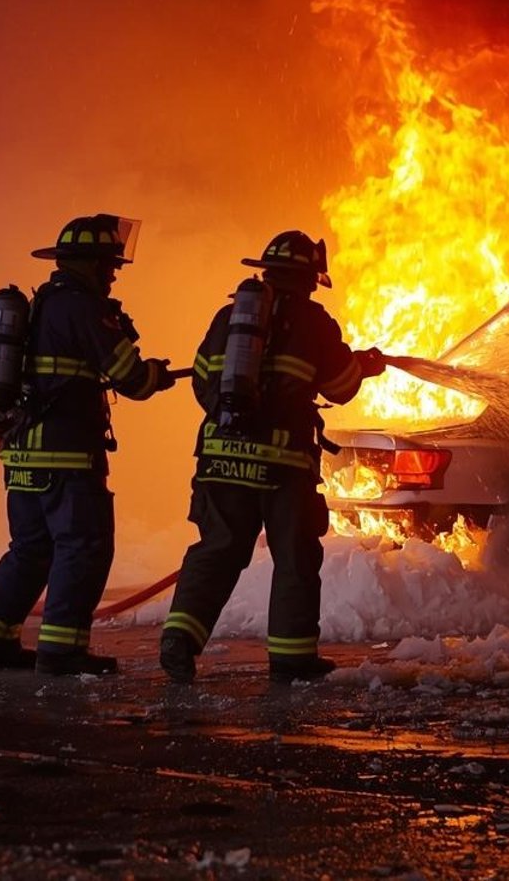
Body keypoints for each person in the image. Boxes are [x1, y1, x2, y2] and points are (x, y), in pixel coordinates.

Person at [157, 230, 385, 684]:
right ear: (309, 279)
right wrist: (363, 365)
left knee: (217, 551)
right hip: (283, 465)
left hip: (221, 459)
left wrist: (236, 419)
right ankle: (291, 657)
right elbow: (341, 387)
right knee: (295, 555)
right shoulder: (314, 323)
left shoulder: (228, 317)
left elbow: (202, 381)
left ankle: (178, 639)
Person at [0, 214, 176, 675]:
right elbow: (131, 377)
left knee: (30, 550)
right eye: (109, 264)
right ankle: (62, 650)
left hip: (24, 453)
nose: (113, 273)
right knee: (84, 547)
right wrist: (156, 375)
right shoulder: (82, 307)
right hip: (66, 456)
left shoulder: (42, 303)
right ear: (89, 263)